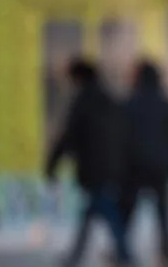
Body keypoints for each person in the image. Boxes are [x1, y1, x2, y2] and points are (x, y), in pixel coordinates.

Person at [45, 58, 132, 267]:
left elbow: (67, 135)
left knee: (104, 210)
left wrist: (52, 164)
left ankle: (122, 253)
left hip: (93, 168)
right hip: (111, 167)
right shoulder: (109, 100)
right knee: (94, 210)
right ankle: (87, 253)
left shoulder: (82, 101)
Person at [119, 60, 168, 267]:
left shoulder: (130, 103)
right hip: (161, 168)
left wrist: (122, 166)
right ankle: (166, 255)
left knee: (127, 213)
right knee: (163, 216)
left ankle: (122, 251)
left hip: (135, 168)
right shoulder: (166, 104)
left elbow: (120, 139)